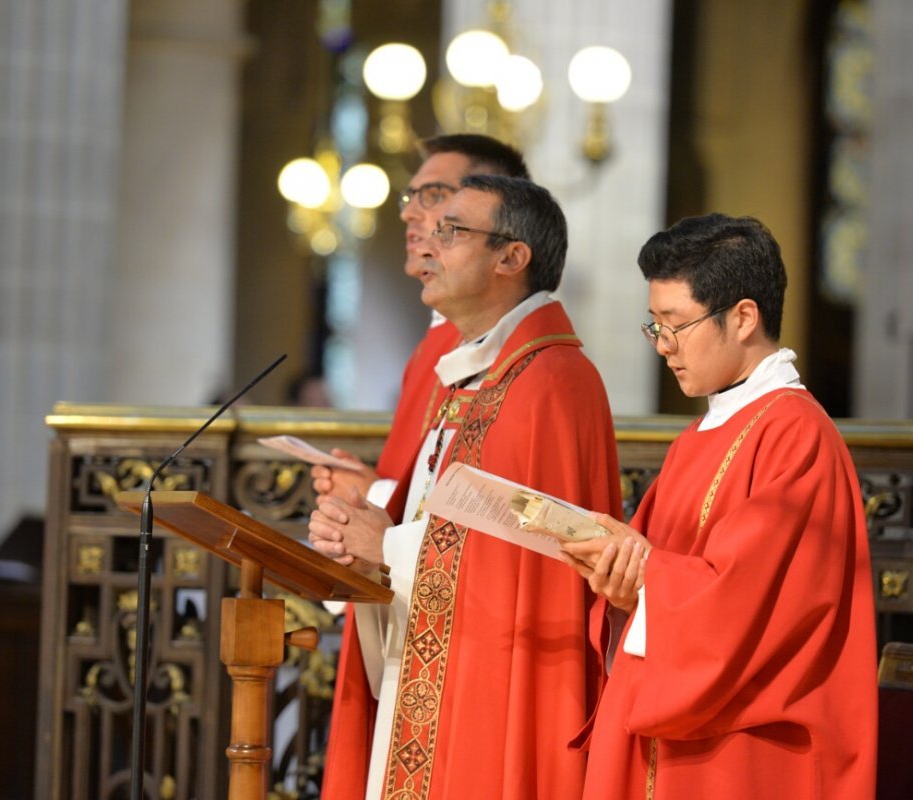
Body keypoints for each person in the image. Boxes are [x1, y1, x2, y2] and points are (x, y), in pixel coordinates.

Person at [309, 175, 622, 799]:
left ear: (511, 257)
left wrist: (388, 549)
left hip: (501, 696)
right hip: (439, 683)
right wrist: (363, 527)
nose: (427, 242)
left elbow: (538, 570)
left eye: (451, 231)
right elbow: (455, 525)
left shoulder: (550, 384)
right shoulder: (470, 376)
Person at [562, 214, 877, 798]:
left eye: (675, 325)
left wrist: (641, 574)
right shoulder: (700, 437)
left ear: (743, 317)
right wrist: (616, 567)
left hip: (745, 752)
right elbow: (654, 577)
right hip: (678, 732)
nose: (662, 346)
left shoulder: (795, 436)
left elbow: (741, 602)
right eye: (653, 326)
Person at [311, 134, 530, 511]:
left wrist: (374, 494)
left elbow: (500, 514)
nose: (408, 213)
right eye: (410, 197)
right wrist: (366, 492)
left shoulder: (504, 350)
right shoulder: (439, 339)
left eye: (432, 195)